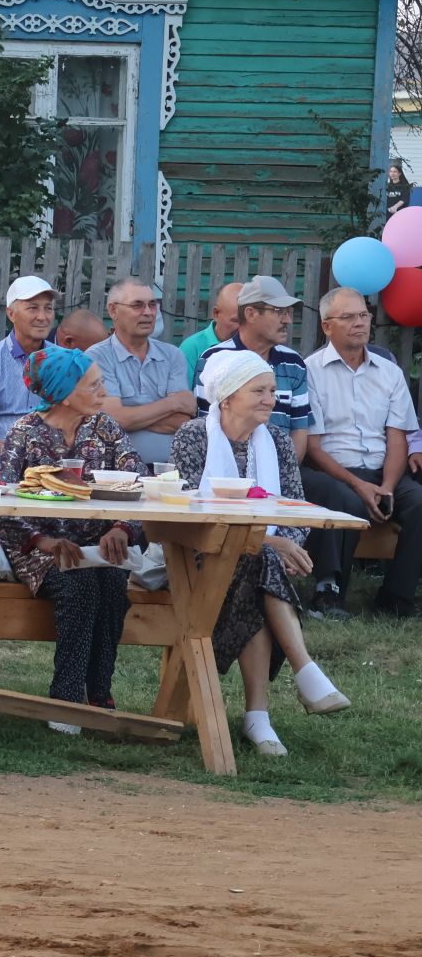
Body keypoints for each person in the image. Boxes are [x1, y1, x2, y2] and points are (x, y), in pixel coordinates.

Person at [173, 351, 351, 756]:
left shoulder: (277, 441)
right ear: (228, 398)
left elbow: (295, 508)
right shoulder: (193, 436)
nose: (271, 398)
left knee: (259, 565)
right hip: (197, 557)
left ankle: (264, 713)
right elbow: (193, 514)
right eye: (259, 390)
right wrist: (275, 543)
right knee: (262, 560)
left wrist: (284, 544)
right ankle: (292, 684)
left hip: (255, 562)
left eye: (272, 390)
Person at [0, 345, 142, 728]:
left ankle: (98, 691)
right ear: (64, 392)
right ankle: (67, 696)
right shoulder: (25, 433)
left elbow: (136, 482)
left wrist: (120, 528)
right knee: (79, 587)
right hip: (40, 546)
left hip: (100, 544)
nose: (103, 392)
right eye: (94, 385)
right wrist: (43, 542)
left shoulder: (105, 427)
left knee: (110, 581)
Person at [302, 287, 422, 619]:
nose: (360, 323)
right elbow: (312, 448)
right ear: (327, 326)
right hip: (334, 470)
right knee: (349, 502)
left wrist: (386, 485)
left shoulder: (389, 372)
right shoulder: (310, 371)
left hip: (385, 471)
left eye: (364, 315)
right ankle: (330, 595)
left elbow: (397, 436)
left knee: (419, 502)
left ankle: (395, 597)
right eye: (349, 317)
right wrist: (359, 485)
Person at [192, 276, 313, 453]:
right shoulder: (215, 359)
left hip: (281, 469)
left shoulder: (294, 363)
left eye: (289, 312)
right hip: (225, 466)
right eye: (279, 311)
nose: (288, 320)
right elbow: (207, 424)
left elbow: (300, 430)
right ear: (250, 314)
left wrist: (284, 474)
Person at [87, 276, 194, 467]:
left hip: (169, 471)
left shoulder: (172, 355)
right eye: (137, 305)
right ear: (113, 310)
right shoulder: (98, 357)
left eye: (152, 305)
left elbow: (183, 421)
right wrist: (172, 402)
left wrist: (130, 418)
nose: (148, 312)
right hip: (115, 471)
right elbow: (112, 420)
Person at [0, 275, 58, 464]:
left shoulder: (62, 360)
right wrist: (28, 460)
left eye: (48, 308)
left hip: (55, 464)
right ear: (11, 314)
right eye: (33, 308)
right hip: (1, 461)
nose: (42, 317)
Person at [180, 281, 241, 388]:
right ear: (216, 314)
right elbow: (185, 397)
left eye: (247, 322)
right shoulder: (192, 348)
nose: (242, 328)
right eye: (236, 321)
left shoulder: (257, 346)